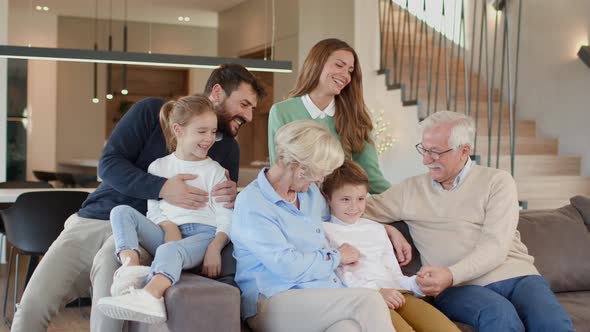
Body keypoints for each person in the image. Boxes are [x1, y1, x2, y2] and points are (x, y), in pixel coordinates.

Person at [11, 63, 266, 332]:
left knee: (109, 282)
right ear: (217, 92)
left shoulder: (227, 151)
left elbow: (218, 211)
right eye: (245, 104)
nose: (249, 115)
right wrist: (162, 187)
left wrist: (232, 201)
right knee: (32, 307)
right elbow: (108, 165)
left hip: (149, 234)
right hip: (95, 219)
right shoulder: (150, 112)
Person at [364, 111, 575, 332]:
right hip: (456, 288)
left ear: (464, 151)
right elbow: (352, 210)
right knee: (500, 316)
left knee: (553, 323)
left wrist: (451, 273)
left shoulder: (497, 182)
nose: (426, 160)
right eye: (424, 150)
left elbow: (496, 246)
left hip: (516, 276)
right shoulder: (409, 190)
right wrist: (387, 228)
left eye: (435, 152)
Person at [232, 120, 394, 332]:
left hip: (320, 293)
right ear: (300, 169)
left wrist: (387, 228)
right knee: (369, 300)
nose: (321, 179)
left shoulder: (309, 194)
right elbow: (287, 266)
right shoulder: (253, 203)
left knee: (348, 328)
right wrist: (337, 256)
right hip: (273, 300)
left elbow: (344, 213)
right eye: (320, 172)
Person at [96, 95, 233, 324]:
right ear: (178, 130)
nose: (209, 138)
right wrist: (168, 227)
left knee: (168, 252)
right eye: (202, 131)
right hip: (167, 234)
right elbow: (154, 209)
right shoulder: (159, 166)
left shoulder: (215, 171)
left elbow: (226, 216)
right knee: (120, 212)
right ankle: (130, 269)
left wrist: (215, 246)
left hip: (202, 235)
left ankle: (151, 297)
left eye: (213, 132)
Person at [322, 159, 460, 332]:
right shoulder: (324, 231)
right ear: (327, 197)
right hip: (367, 300)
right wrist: (378, 292)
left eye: (360, 199)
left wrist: (418, 282)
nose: (354, 207)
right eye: (345, 199)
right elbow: (338, 279)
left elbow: (395, 275)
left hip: (399, 294)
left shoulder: (377, 229)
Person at [267, 38, 390, 194]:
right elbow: (278, 170)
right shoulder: (282, 111)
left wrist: (400, 203)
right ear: (317, 63)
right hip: (297, 205)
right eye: (339, 65)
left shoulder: (357, 118)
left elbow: (371, 177)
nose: (345, 75)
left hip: (340, 209)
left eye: (350, 70)